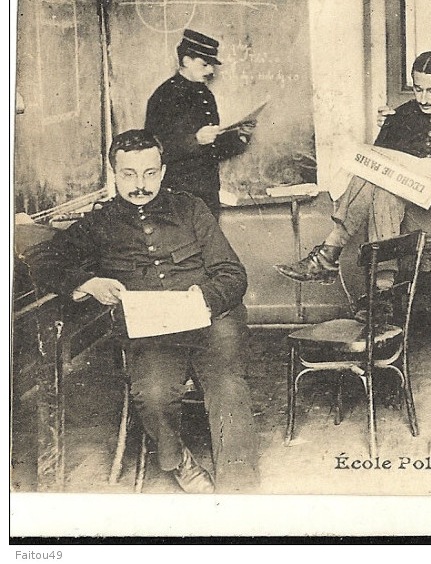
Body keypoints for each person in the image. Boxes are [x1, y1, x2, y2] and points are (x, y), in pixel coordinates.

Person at [24, 130, 259, 493]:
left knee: (228, 389)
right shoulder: (98, 224)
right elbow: (41, 259)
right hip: (149, 328)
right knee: (152, 393)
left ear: (163, 172)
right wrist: (88, 283)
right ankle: (177, 459)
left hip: (210, 319)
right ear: (114, 175)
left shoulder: (191, 209)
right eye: (129, 174)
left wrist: (205, 296)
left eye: (149, 173)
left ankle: (238, 489)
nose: (140, 185)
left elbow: (232, 273)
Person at [274, 51, 431, 283]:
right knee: (381, 187)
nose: (424, 98)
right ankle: (382, 289)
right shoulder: (403, 114)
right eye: (418, 89)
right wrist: (389, 129)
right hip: (400, 213)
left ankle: (329, 255)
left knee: (385, 192)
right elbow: (378, 164)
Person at [145, 29, 255, 219]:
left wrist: (240, 135)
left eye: (211, 65)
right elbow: (152, 150)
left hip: (208, 192)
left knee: (209, 246)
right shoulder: (164, 96)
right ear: (186, 61)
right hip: (179, 194)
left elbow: (212, 149)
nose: (211, 71)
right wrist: (194, 140)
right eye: (205, 64)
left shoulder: (205, 95)